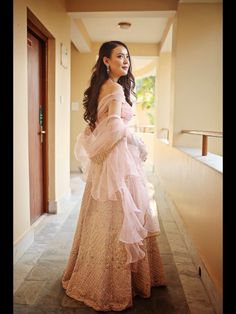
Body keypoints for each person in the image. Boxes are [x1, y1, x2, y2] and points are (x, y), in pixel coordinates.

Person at [61, 40, 166, 311]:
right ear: (106, 60)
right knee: (122, 216)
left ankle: (95, 274)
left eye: (128, 56)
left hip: (108, 162)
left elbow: (97, 125)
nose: (126, 60)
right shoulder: (116, 89)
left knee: (103, 215)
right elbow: (115, 127)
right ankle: (115, 284)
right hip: (119, 163)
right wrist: (137, 141)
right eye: (120, 56)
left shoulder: (101, 88)